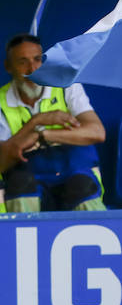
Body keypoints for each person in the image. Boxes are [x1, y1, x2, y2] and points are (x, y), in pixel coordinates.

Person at [0, 33, 107, 213]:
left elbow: (97, 132)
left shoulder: (66, 86)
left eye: (37, 60)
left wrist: (42, 135)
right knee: (20, 185)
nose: (32, 69)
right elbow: (2, 161)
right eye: (22, 62)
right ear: (8, 67)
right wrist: (37, 121)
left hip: (73, 172)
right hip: (30, 178)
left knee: (81, 186)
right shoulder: (2, 101)